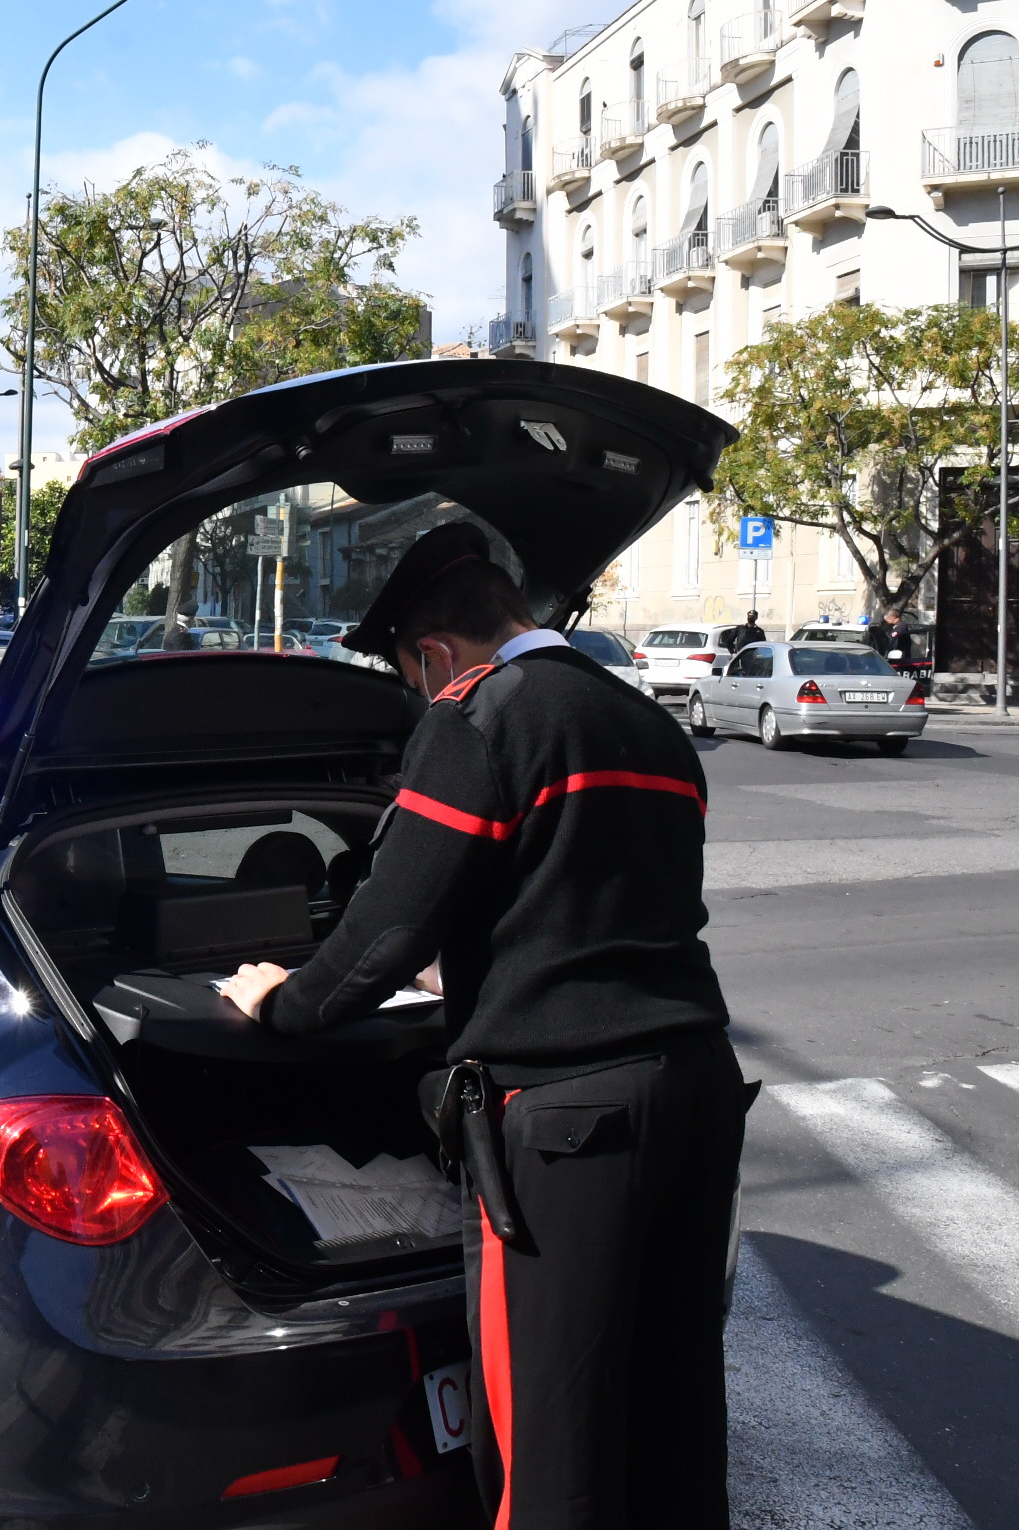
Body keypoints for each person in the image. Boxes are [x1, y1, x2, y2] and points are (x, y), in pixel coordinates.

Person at [219, 521, 746, 1530]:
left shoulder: (479, 717)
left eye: (413, 676)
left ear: (433, 654)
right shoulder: (646, 724)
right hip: (695, 1085)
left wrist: (278, 1001)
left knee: (550, 1431)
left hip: (567, 1120)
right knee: (671, 1401)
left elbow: (382, 929)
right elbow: (588, 893)